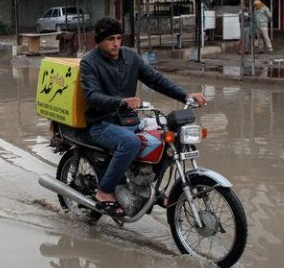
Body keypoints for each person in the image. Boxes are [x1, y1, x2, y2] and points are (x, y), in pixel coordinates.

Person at [80, 17, 206, 217]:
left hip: (128, 120)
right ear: (99, 41)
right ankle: (104, 192)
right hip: (101, 122)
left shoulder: (130, 57)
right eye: (110, 39)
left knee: (163, 140)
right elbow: (92, 96)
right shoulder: (89, 62)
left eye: (119, 38)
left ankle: (147, 187)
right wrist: (121, 102)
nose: (116, 43)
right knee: (130, 143)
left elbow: (156, 80)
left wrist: (186, 94)